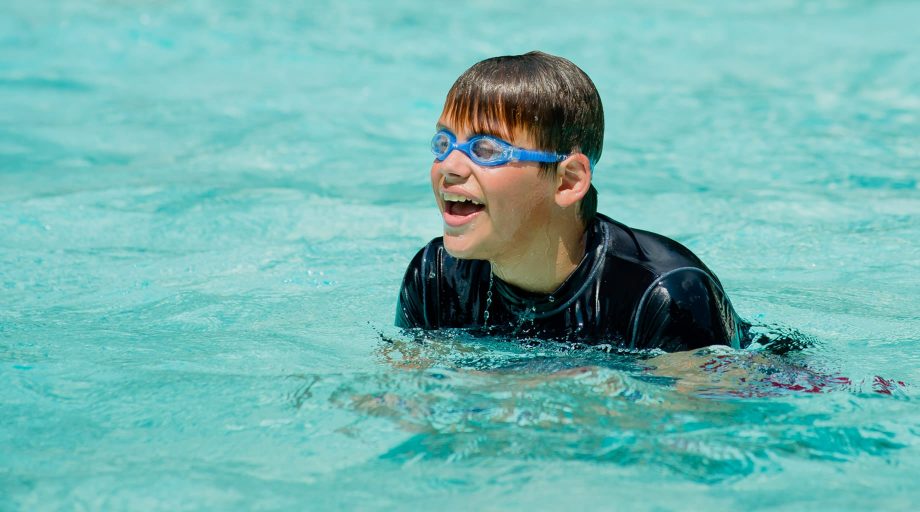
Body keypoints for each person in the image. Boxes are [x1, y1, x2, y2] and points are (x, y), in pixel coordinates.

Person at [395, 51, 749, 352]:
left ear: (568, 181)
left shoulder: (662, 293)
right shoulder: (435, 276)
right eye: (443, 143)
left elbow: (707, 420)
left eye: (486, 149)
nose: (450, 167)